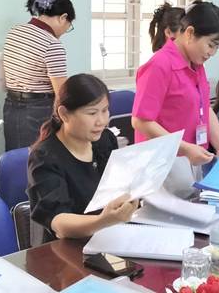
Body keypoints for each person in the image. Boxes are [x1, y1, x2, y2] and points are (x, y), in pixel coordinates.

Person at [27, 74, 138, 243]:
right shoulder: (44, 157)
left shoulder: (105, 139)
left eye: (105, 110)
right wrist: (103, 220)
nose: (101, 121)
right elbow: (59, 222)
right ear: (64, 114)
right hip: (65, 248)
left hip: (108, 237)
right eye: (92, 113)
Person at [132, 0, 219, 167]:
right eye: (211, 45)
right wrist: (185, 148)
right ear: (190, 33)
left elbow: (204, 107)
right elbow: (141, 121)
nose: (212, 53)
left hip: (192, 159)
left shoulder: (196, 65)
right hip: (161, 164)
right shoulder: (159, 65)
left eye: (217, 47)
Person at [2, 0, 75, 151]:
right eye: (69, 26)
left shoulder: (15, 32)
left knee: (15, 157)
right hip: (38, 110)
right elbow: (61, 93)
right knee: (38, 158)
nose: (65, 31)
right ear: (63, 17)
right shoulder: (52, 44)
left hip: (11, 106)